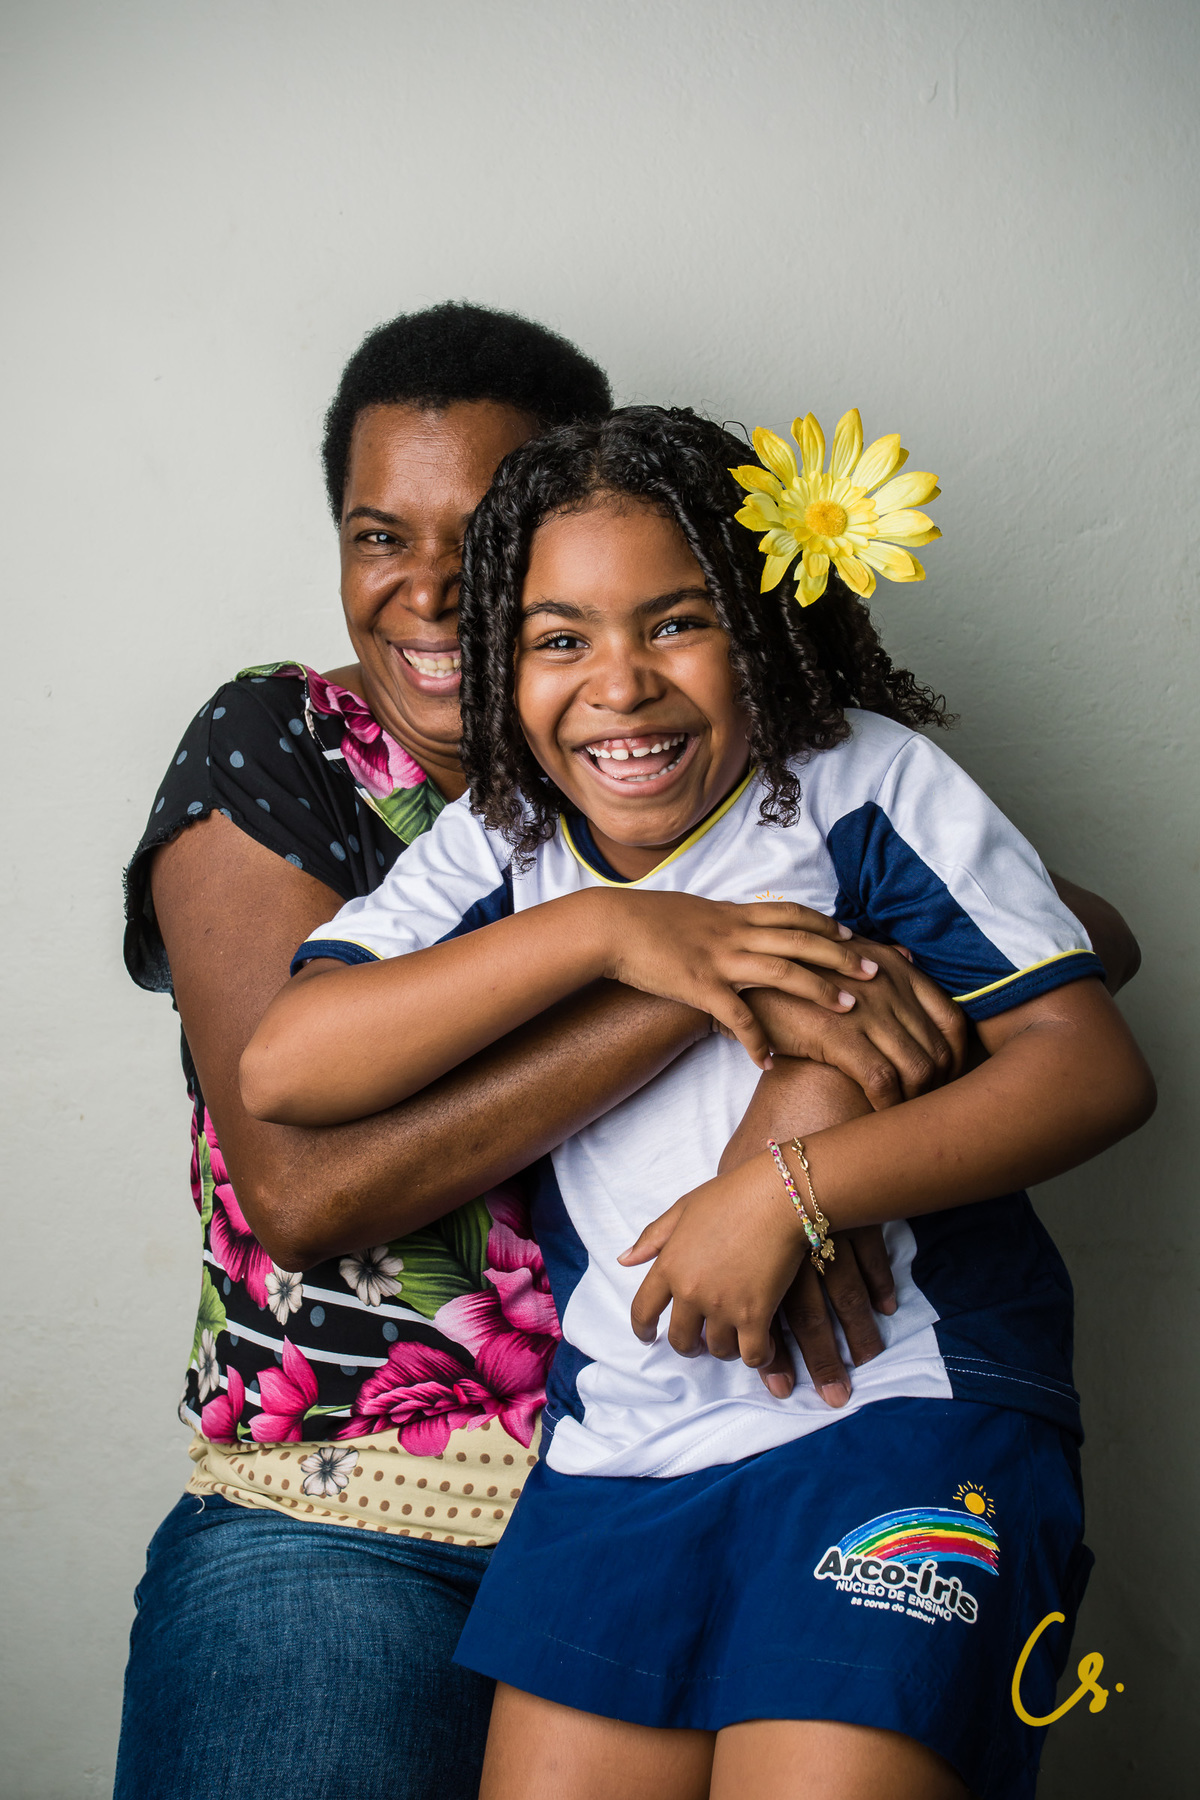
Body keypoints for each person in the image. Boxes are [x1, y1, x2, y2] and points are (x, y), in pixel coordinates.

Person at [116, 307, 1040, 1800]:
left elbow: (1062, 956)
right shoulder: (291, 745)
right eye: (374, 534)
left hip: (722, 1437)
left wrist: (808, 1113)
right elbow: (296, 1177)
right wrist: (683, 957)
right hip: (357, 1508)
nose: (426, 588)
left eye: (475, 536)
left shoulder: (773, 757)